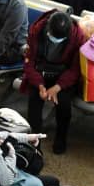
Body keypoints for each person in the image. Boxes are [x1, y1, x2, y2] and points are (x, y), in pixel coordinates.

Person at [21, 10, 86, 155]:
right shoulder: (36, 30)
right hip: (40, 71)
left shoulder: (78, 37)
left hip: (63, 75)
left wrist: (57, 87)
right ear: (48, 29)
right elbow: (29, 62)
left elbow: (75, 70)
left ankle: (61, 138)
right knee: (34, 100)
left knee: (63, 104)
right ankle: (34, 143)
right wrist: (40, 85)